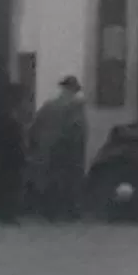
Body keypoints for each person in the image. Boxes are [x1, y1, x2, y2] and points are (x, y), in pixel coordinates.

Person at [30, 76, 89, 222]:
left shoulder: (49, 105)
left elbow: (35, 126)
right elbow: (78, 129)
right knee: (69, 180)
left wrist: (37, 145)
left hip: (49, 148)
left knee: (52, 179)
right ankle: (69, 211)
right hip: (67, 148)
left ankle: (50, 211)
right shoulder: (75, 106)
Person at [0, 84, 28, 225]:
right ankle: (6, 214)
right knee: (9, 185)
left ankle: (4, 213)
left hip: (4, 158)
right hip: (8, 159)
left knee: (5, 185)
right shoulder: (8, 118)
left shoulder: (6, 116)